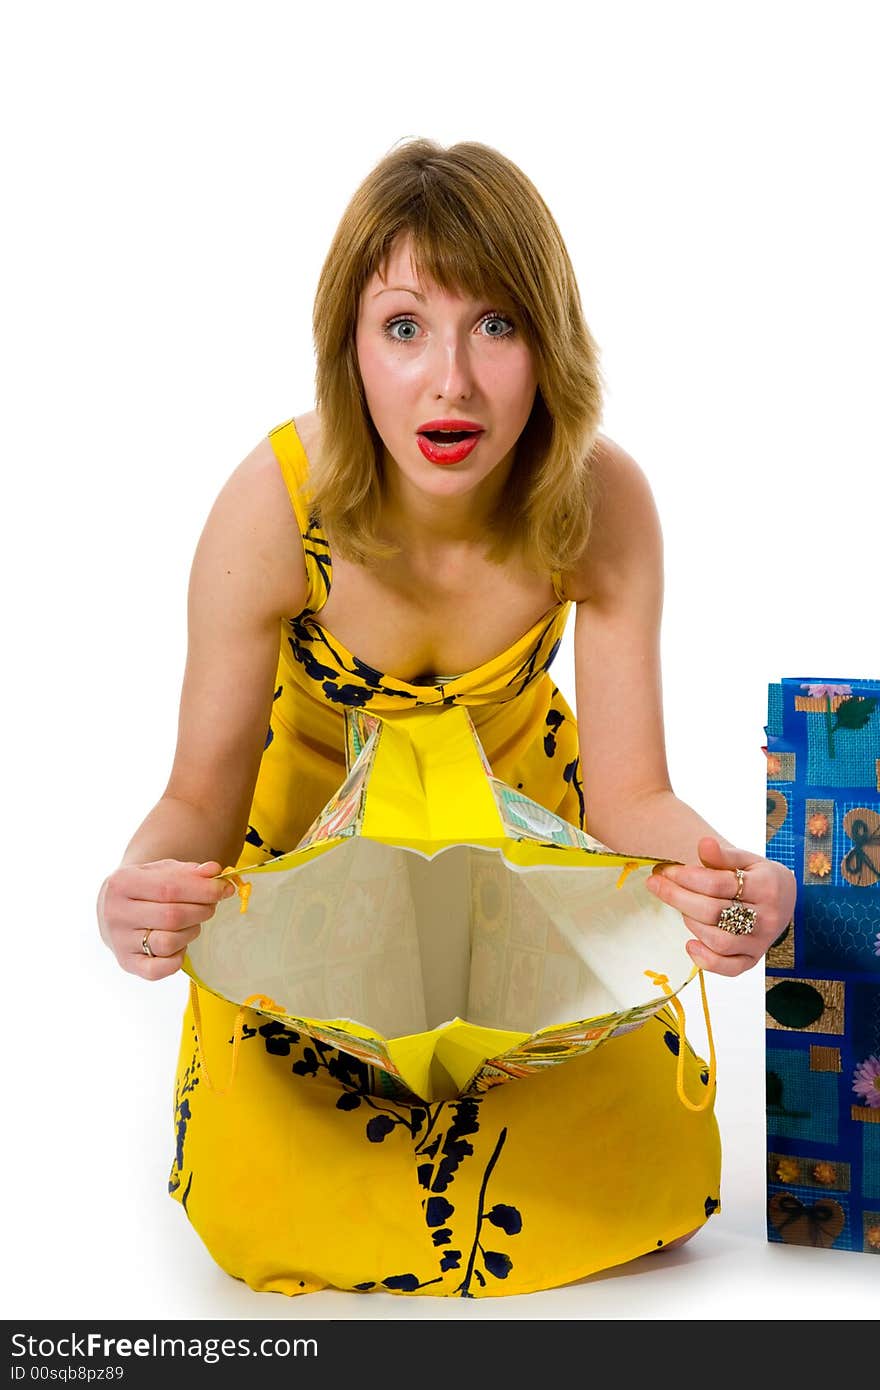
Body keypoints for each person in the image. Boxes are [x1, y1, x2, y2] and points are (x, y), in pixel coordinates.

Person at [95, 137, 797, 1299]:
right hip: (304, 916)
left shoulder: (598, 501)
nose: (452, 384)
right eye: (405, 326)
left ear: (547, 344)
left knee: (663, 1183)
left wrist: (734, 886)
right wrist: (136, 890)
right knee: (249, 1212)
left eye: (498, 326)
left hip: (531, 887)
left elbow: (629, 799)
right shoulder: (272, 505)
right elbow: (197, 800)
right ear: (350, 348)